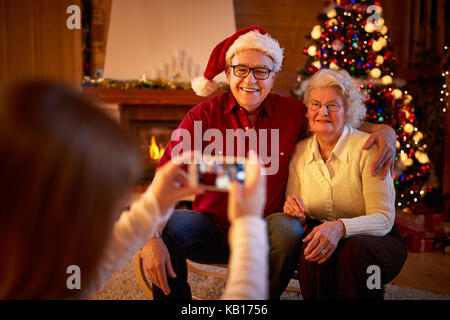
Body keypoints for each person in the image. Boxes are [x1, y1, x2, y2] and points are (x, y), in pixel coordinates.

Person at [141, 25, 398, 300]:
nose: (250, 80)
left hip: (268, 235)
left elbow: (332, 118)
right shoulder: (200, 117)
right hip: (211, 229)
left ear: (273, 77)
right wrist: (152, 239)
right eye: (241, 69)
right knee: (168, 226)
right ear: (228, 73)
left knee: (288, 227)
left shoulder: (291, 113)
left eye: (261, 71)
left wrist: (384, 130)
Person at [0, 80, 268, 299]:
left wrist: (153, 205)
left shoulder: (38, 278)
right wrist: (248, 224)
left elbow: (98, 263)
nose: (109, 225)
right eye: (104, 211)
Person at [283, 69, 407, 299]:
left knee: (355, 251)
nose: (323, 112)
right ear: (308, 110)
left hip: (378, 243)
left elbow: (384, 218)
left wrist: (340, 227)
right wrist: (293, 210)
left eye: (333, 105)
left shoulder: (368, 149)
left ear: (348, 110)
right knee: (313, 250)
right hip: (328, 239)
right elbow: (296, 210)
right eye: (316, 104)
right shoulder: (300, 152)